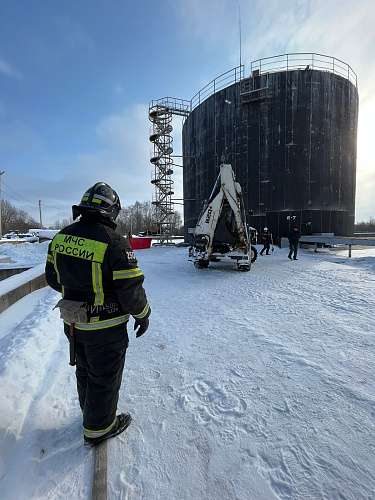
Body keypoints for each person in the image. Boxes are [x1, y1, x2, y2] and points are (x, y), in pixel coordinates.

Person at [45, 182, 151, 447]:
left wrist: (79, 291)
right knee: (104, 376)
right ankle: (99, 429)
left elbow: (52, 279)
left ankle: (89, 413)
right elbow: (130, 289)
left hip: (74, 323)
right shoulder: (113, 241)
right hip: (106, 327)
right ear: (111, 211)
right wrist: (143, 314)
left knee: (85, 370)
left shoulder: (61, 237)